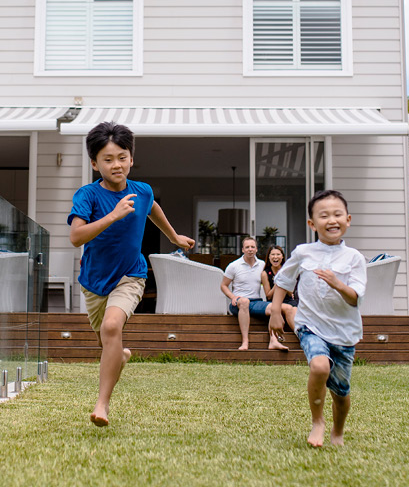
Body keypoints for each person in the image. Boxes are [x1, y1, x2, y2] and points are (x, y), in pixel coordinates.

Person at [69, 121, 194, 427]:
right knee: (108, 341)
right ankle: (120, 356)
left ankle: (102, 405)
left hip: (131, 274)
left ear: (131, 158)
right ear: (94, 163)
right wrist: (113, 215)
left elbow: (152, 209)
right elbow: (76, 237)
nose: (116, 165)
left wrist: (175, 237)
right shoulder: (87, 195)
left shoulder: (142, 191)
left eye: (122, 157)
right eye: (108, 159)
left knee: (112, 327)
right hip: (94, 281)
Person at [268, 189, 367, 448]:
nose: (331, 220)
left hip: (344, 332)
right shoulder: (303, 252)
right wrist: (276, 312)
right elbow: (283, 280)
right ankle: (317, 421)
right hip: (310, 325)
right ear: (312, 224)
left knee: (341, 394)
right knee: (320, 366)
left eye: (337, 214)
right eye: (324, 216)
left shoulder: (354, 258)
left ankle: (338, 430)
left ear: (348, 219)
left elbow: (354, 298)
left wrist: (337, 284)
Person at [221, 236, 289, 351]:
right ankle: (245, 342)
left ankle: (273, 341)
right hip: (238, 303)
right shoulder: (234, 266)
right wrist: (232, 297)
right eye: (247, 247)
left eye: (252, 247)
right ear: (242, 249)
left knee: (274, 307)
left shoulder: (262, 264)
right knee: (244, 301)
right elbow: (223, 285)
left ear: (256, 249)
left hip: (256, 302)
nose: (250, 249)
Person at [262, 244, 298, 342]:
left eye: (278, 254)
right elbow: (268, 295)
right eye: (272, 254)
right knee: (290, 309)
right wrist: (278, 283)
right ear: (269, 257)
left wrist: (282, 277)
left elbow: (290, 292)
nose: (275, 257)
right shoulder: (265, 273)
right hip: (273, 302)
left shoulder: (286, 271)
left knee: (294, 309)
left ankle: (302, 333)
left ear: (282, 257)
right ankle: (300, 335)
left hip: (288, 299)